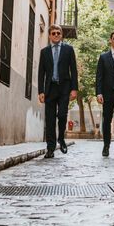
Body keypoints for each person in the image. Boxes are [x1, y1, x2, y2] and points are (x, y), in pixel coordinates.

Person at [38, 24, 78, 159]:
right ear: (49, 35)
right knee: (49, 120)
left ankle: (61, 138)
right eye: (53, 33)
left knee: (62, 115)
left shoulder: (68, 50)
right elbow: (41, 73)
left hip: (64, 88)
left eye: (58, 33)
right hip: (50, 89)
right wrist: (41, 91)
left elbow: (74, 70)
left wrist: (74, 89)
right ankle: (50, 148)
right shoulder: (44, 52)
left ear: (61, 35)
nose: (56, 35)